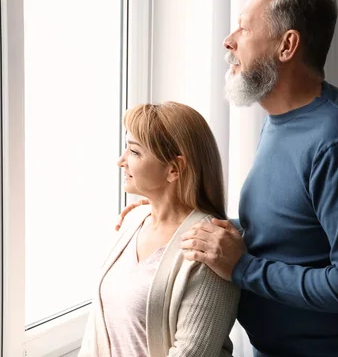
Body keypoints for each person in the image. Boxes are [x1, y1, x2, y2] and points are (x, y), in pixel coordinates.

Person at [119, 0, 338, 357]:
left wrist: (243, 269)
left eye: (244, 30)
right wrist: (174, 212)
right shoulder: (279, 123)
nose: (228, 41)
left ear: (287, 45)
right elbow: (279, 233)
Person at [79, 102, 240, 357]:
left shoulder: (209, 248)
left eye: (134, 152)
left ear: (173, 169)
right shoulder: (133, 221)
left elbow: (191, 353)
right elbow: (98, 333)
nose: (121, 161)